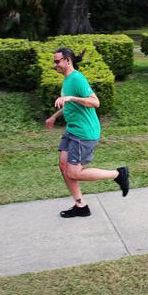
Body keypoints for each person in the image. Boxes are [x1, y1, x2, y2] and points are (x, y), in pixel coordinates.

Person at [45, 47, 129, 218]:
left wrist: (71, 98)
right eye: (54, 62)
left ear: (67, 60)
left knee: (73, 172)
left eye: (57, 61)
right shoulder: (67, 80)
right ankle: (80, 206)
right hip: (72, 130)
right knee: (63, 165)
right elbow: (70, 105)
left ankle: (118, 174)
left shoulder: (77, 78)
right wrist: (54, 117)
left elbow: (95, 102)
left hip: (84, 133)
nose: (55, 65)